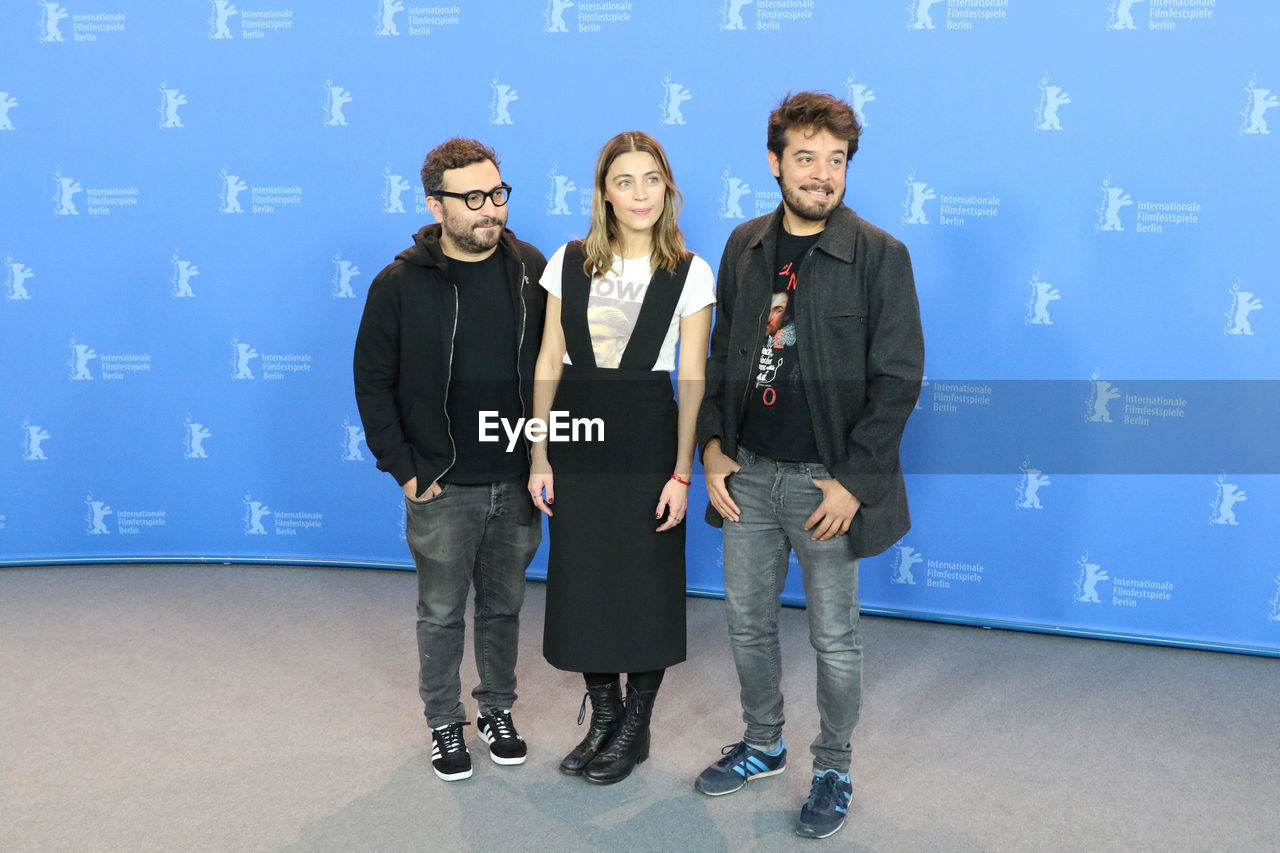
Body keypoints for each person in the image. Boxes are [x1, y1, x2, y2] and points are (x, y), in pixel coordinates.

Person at [694, 91, 924, 838]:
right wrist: (712, 447)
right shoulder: (743, 246)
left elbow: (898, 379)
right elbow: (727, 349)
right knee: (747, 624)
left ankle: (832, 765)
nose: (822, 174)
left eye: (836, 160)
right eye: (806, 158)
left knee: (834, 637)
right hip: (748, 474)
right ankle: (763, 744)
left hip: (827, 484)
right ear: (774, 163)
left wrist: (855, 482)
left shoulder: (881, 257)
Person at [353, 137, 547, 782]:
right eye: (472, 198)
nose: (490, 209)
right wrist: (405, 467)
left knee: (503, 608)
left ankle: (497, 709)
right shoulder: (399, 283)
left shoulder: (530, 269)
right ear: (437, 206)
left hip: (516, 480)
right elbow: (372, 382)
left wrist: (547, 458)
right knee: (440, 612)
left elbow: (554, 370)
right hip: (441, 484)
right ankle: (444, 720)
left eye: (497, 193)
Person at [529, 131, 715, 785]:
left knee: (645, 584)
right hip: (577, 434)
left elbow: (692, 378)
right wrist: (539, 453)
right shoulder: (569, 260)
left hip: (648, 435)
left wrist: (681, 470)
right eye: (624, 181)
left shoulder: (691, 272)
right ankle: (604, 715)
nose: (639, 193)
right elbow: (549, 360)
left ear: (668, 189)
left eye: (651, 179)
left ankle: (636, 726)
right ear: (604, 192)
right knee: (583, 580)